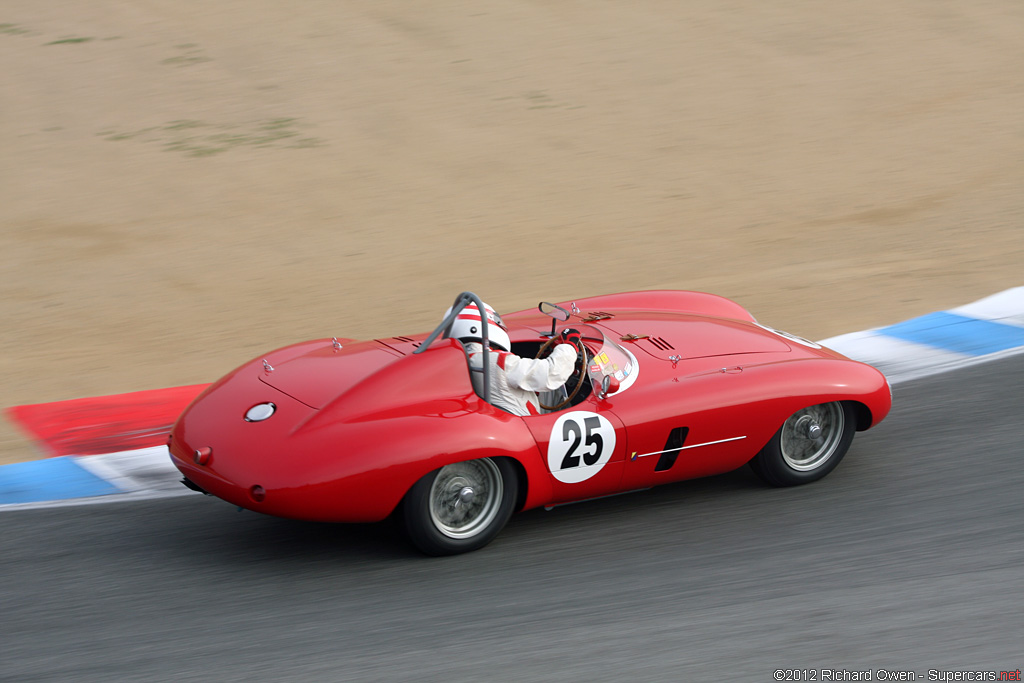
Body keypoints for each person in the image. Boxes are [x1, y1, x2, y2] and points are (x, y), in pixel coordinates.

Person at [447, 301, 580, 416]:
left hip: (500, 407)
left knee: (547, 392)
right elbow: (552, 373)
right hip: (523, 420)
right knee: (557, 393)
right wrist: (570, 346)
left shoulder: (458, 357)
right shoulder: (495, 361)